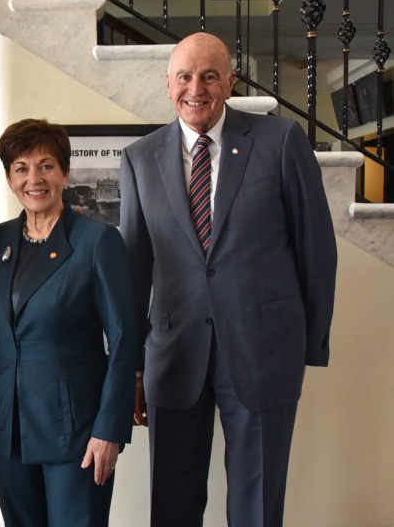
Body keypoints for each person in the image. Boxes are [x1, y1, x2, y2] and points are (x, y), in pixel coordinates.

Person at [119, 32, 338, 526]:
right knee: (172, 507)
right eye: (184, 76)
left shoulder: (280, 141)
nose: (196, 87)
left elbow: (317, 251)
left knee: (257, 509)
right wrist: (132, 368)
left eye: (209, 75)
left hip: (265, 355)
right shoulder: (138, 159)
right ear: (167, 83)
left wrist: (308, 344)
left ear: (230, 81)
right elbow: (133, 272)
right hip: (172, 360)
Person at [0, 118, 138, 527]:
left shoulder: (97, 242)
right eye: (21, 168)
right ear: (10, 179)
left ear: (65, 173)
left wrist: (110, 428)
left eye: (46, 166)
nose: (35, 179)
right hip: (6, 427)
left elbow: (124, 337)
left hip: (77, 430)